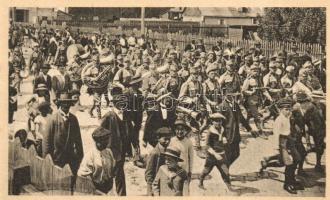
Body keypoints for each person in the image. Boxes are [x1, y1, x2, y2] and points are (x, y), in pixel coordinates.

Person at [260, 98, 304, 194]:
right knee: (289, 163)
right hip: (283, 143)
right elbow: (276, 135)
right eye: (285, 109)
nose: (288, 111)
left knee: (297, 159)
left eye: (289, 109)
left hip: (290, 142)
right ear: (280, 109)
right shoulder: (279, 120)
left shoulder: (287, 117)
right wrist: (277, 148)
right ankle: (287, 184)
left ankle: (292, 180)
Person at [100, 87, 132, 196]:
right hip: (111, 149)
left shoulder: (126, 115)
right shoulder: (109, 116)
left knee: (119, 172)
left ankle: (121, 194)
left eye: (123, 102)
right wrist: (103, 148)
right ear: (114, 103)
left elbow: (129, 132)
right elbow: (99, 133)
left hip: (121, 149)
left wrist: (131, 147)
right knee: (110, 173)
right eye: (119, 102)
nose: (122, 104)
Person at [42, 92, 84, 175]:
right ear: (60, 104)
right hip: (56, 160)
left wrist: (79, 157)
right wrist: (47, 161)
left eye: (68, 102)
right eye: (64, 102)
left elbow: (78, 140)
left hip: (71, 160)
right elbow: (46, 142)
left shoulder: (73, 119)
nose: (66, 105)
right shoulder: (53, 119)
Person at [77, 126, 115, 194]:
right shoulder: (90, 155)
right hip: (94, 189)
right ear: (97, 141)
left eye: (107, 139)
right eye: (104, 140)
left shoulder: (109, 152)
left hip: (107, 188)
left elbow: (112, 171)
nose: (107, 142)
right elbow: (82, 175)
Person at [199, 113, 231, 190]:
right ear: (212, 122)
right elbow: (207, 145)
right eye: (216, 121)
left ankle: (229, 185)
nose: (218, 123)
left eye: (220, 121)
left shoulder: (223, 130)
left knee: (225, 171)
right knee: (207, 170)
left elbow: (225, 139)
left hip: (221, 154)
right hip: (212, 156)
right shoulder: (210, 131)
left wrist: (225, 141)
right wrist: (215, 154)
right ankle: (200, 182)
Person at [168, 117, 193, 195]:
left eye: (182, 129)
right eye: (177, 129)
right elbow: (168, 156)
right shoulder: (171, 141)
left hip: (184, 170)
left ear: (185, 130)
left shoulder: (188, 142)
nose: (180, 131)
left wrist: (190, 172)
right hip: (174, 170)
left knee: (185, 191)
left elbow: (191, 158)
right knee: (175, 189)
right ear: (175, 130)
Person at [145, 127, 172, 196]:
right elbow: (149, 174)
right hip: (156, 186)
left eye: (169, 139)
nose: (167, 141)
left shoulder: (169, 150)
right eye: (165, 139)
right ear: (158, 138)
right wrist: (150, 191)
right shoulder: (154, 153)